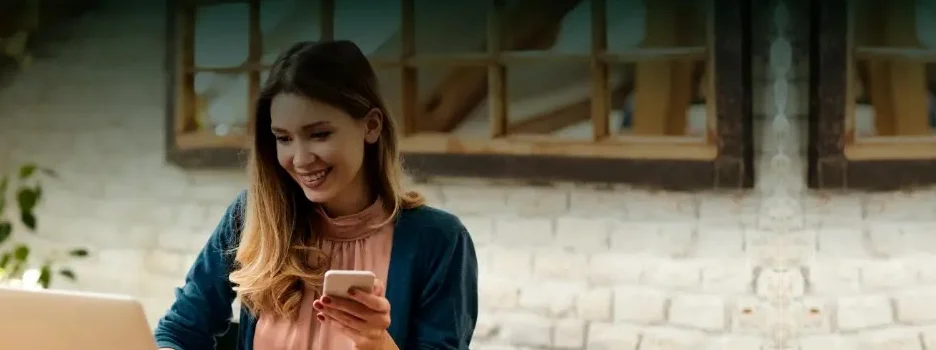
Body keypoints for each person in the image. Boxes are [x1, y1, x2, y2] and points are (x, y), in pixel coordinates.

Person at [153, 40, 479, 350]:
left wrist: (376, 342)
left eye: (319, 134)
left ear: (371, 126)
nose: (301, 159)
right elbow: (182, 328)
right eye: (283, 138)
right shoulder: (251, 215)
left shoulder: (439, 241)